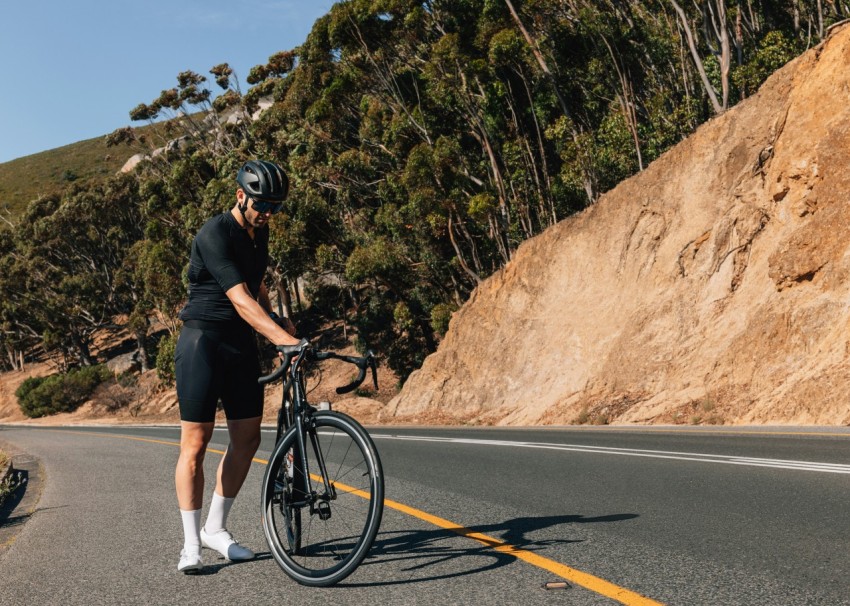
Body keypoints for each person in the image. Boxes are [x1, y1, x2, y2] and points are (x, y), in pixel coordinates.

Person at [173, 160, 302, 573]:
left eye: (275, 207)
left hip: (239, 345)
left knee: (247, 439)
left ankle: (215, 528)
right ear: (240, 195)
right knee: (195, 445)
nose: (267, 213)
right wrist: (283, 340)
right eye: (262, 203)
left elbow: (256, 287)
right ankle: (191, 544)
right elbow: (238, 299)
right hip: (202, 342)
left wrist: (280, 320)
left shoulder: (258, 233)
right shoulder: (214, 233)